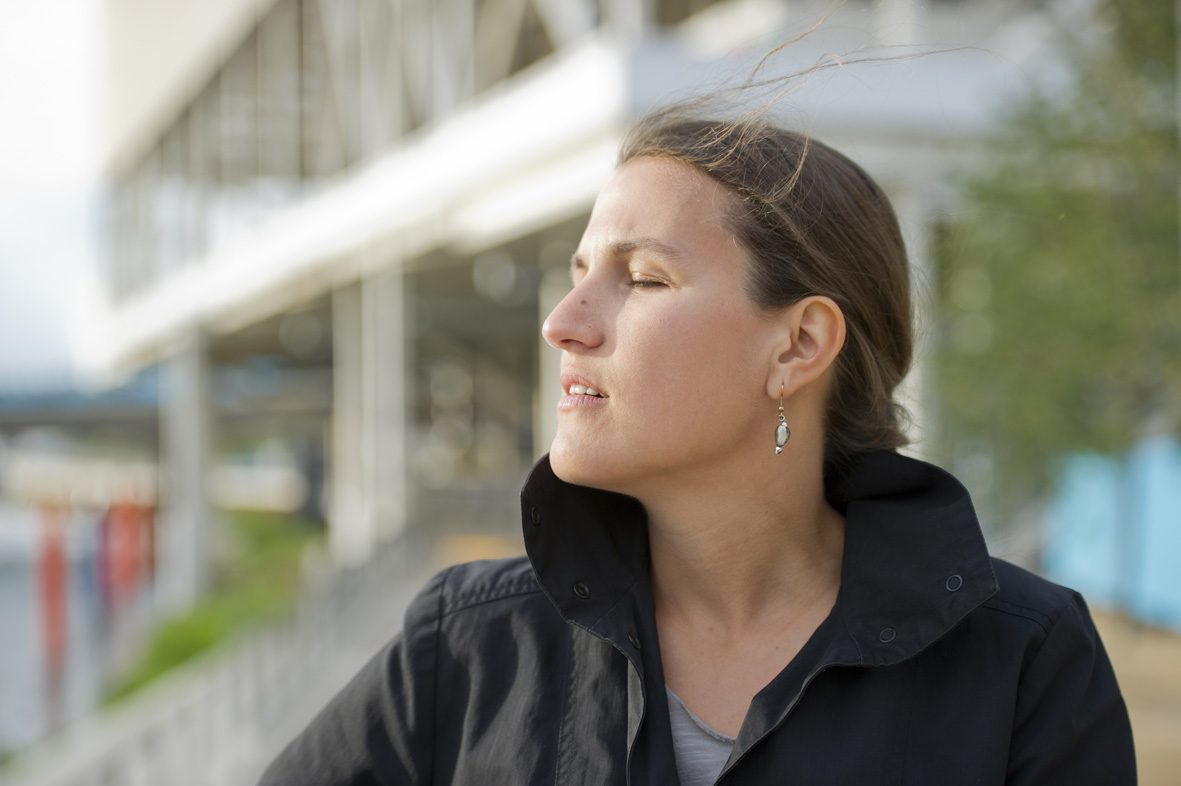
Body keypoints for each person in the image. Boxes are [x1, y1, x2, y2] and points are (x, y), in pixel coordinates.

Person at [260, 109, 1136, 784]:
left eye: (641, 279)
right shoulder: (461, 647)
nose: (562, 324)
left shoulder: (1023, 665)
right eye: (578, 277)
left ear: (797, 347)